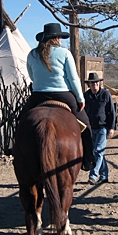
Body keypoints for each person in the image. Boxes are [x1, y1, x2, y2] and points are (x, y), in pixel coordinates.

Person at [21, 23, 95, 171]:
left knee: (21, 122)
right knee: (86, 125)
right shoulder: (65, 53)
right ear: (57, 38)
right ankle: (88, 159)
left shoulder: (32, 54)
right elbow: (73, 78)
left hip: (38, 95)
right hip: (63, 93)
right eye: (60, 37)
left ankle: (18, 154)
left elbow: (31, 75)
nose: (61, 39)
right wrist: (80, 98)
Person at [83, 72, 116, 185]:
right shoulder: (86, 96)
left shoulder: (105, 94)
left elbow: (111, 111)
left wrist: (112, 127)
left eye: (96, 82)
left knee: (98, 151)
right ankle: (104, 175)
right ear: (89, 84)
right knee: (98, 153)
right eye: (92, 83)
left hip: (103, 127)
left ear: (99, 83)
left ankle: (93, 175)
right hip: (90, 128)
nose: (94, 84)